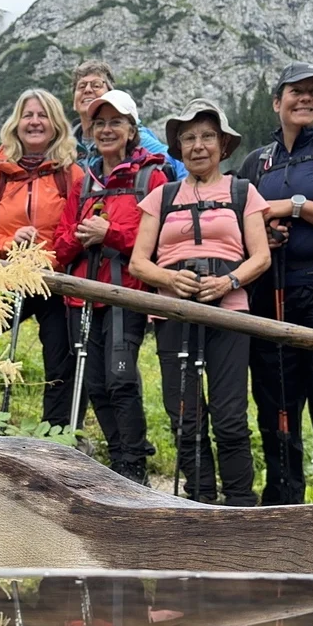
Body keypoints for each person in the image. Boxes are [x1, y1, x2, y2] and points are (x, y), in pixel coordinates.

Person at [128, 98, 271, 505]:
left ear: (223, 144)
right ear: (179, 147)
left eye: (208, 136)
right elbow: (140, 262)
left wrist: (228, 280)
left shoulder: (243, 192)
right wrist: (171, 278)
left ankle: (241, 505)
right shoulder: (162, 196)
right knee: (185, 415)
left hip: (229, 312)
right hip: (174, 312)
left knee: (229, 415)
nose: (198, 145)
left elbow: (261, 256)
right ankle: (200, 500)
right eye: (189, 138)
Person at [236, 62, 313, 505]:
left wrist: (297, 206)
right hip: (270, 295)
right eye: (296, 92)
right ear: (277, 102)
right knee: (277, 408)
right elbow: (243, 226)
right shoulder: (256, 162)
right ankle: (282, 506)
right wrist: (265, 235)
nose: (306, 99)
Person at [52, 90, 168, 484]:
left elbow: (157, 239)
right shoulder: (83, 182)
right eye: (98, 123)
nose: (106, 130)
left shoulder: (152, 177)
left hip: (126, 292)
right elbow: (60, 243)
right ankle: (119, 459)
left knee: (120, 378)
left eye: (115, 122)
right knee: (97, 384)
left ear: (132, 129)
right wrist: (84, 238)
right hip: (82, 296)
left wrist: (110, 233)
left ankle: (134, 464)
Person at [0, 88, 82, 428]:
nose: (35, 121)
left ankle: (53, 435)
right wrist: (10, 242)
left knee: (60, 357)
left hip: (54, 279)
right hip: (8, 276)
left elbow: (76, 228)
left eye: (43, 115)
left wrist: (49, 256)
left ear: (56, 124)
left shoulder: (72, 175)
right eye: (28, 115)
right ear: (17, 123)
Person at [69, 60, 188, 181]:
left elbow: (177, 161)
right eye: (81, 86)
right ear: (74, 102)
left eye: (96, 85)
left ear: (111, 96)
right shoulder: (66, 143)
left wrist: (184, 194)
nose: (87, 90)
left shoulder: (135, 137)